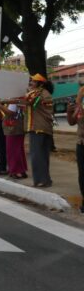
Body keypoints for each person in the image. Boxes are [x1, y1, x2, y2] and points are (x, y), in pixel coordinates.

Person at [12, 74, 55, 188]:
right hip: (45, 128)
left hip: (37, 128)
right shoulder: (46, 93)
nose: (30, 83)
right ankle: (46, 180)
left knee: (36, 156)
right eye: (31, 81)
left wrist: (3, 101)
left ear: (39, 84)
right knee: (43, 156)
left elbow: (24, 101)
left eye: (33, 81)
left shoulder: (36, 93)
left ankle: (40, 181)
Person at [0, 98, 27, 180]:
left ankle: (15, 170)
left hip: (13, 127)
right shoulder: (14, 98)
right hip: (16, 127)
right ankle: (21, 170)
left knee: (13, 150)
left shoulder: (14, 99)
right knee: (18, 150)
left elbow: (10, 112)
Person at [66, 70, 84, 213]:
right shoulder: (80, 106)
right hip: (81, 144)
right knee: (82, 175)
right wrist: (69, 111)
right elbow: (72, 122)